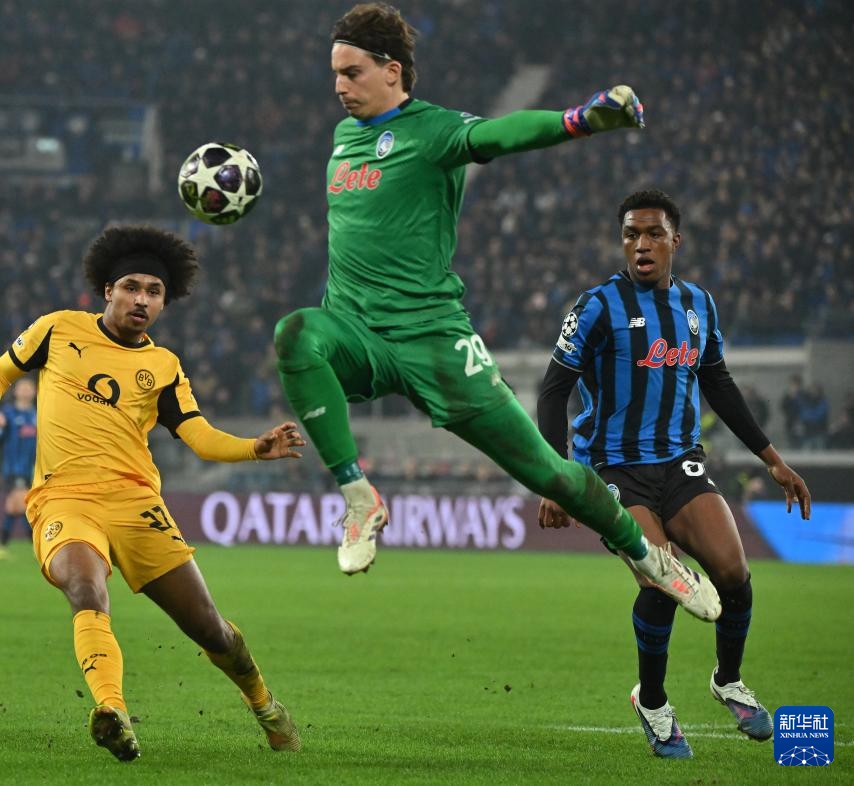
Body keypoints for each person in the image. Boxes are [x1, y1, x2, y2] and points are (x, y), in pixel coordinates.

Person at [272, 2, 719, 622]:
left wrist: (580, 120)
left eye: (352, 72)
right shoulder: (343, 138)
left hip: (433, 340)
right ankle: (358, 497)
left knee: (551, 475)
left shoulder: (433, 131)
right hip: (356, 334)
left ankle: (649, 557)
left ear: (392, 71)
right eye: (336, 75)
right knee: (295, 334)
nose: (340, 86)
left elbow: (500, 135)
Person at [0, 225, 304, 761]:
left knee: (209, 629)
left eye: (154, 292)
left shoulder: (163, 367)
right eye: (132, 287)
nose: (141, 299)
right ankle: (112, 711)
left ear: (164, 302)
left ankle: (265, 705)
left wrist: (254, 447)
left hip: (136, 504)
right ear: (108, 290)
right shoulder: (58, 329)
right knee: (84, 587)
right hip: (64, 498)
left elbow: (199, 436)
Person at [536, 190, 812, 759]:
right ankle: (654, 702)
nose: (641, 244)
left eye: (653, 234)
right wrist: (556, 477)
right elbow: (552, 390)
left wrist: (772, 458)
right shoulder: (596, 306)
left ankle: (727, 680)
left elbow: (718, 382)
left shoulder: (698, 304)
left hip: (681, 463)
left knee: (733, 572)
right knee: (660, 579)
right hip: (613, 468)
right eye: (631, 234)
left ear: (674, 241)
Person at [0, 377, 38, 559]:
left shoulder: (38, 414)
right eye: (22, 387)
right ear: (16, 391)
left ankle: (1, 547)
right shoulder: (8, 413)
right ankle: (37, 547)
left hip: (33, 470)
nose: (25, 391)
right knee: (25, 505)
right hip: (14, 469)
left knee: (13, 507)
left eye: (28, 388)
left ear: (34, 392)